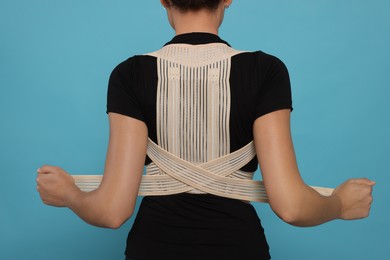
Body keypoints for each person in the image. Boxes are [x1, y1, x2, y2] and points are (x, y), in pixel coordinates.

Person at [36, 0, 375, 259]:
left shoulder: (130, 74)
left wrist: (71, 195)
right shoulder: (265, 71)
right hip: (238, 247)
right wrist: (340, 204)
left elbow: (112, 211)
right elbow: (292, 207)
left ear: (164, 0)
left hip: (153, 247)